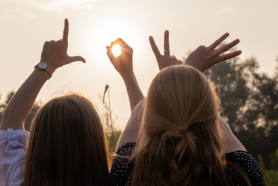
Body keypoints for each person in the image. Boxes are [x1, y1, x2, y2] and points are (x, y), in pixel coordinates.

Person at [107, 32, 264, 186]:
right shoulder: (242, 174)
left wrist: (133, 75)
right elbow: (205, 115)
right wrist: (186, 77)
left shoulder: (127, 174)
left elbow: (139, 119)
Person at [0, 19, 111, 186]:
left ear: (37, 146)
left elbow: (11, 118)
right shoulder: (121, 179)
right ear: (96, 147)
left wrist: (46, 66)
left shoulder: (18, 180)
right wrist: (129, 74)